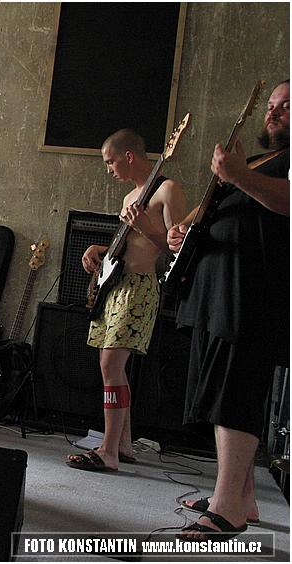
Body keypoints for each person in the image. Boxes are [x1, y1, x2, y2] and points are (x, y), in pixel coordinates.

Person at [168, 79, 289, 540]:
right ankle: (242, 498)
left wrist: (237, 176)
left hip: (252, 296)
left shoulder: (272, 166)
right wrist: (183, 228)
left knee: (234, 395)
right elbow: (219, 207)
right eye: (271, 105)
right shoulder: (256, 161)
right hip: (218, 293)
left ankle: (227, 509)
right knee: (219, 391)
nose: (272, 112)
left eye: (285, 106)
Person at [67, 129, 186, 472]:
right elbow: (131, 245)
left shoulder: (168, 190)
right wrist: (100, 249)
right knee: (110, 367)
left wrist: (147, 226)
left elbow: (177, 249)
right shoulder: (131, 196)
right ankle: (123, 443)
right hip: (115, 286)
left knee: (110, 366)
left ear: (129, 156)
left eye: (110, 162)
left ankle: (108, 450)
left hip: (140, 287)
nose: (109, 170)